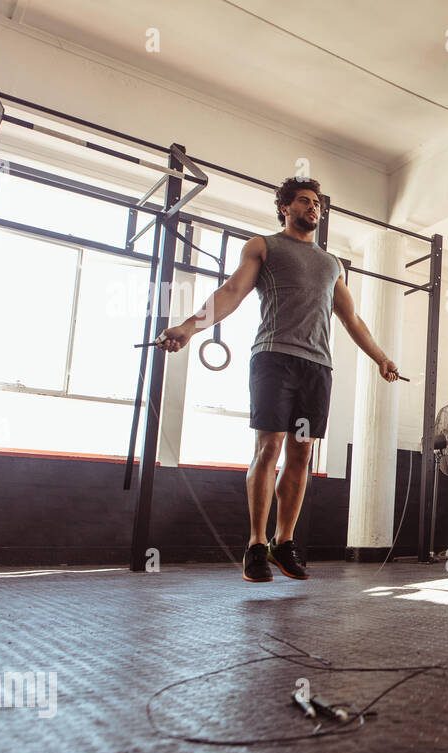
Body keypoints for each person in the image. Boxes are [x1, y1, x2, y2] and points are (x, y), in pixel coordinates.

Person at [155, 177, 400, 583]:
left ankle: (283, 542)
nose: (313, 208)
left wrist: (382, 358)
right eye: (304, 201)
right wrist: (187, 327)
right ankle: (255, 543)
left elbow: (352, 318)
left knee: (301, 455)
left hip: (317, 367)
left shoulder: (331, 263)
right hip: (274, 359)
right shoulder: (263, 246)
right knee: (269, 448)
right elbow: (232, 291)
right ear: (285, 208)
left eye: (317, 203)